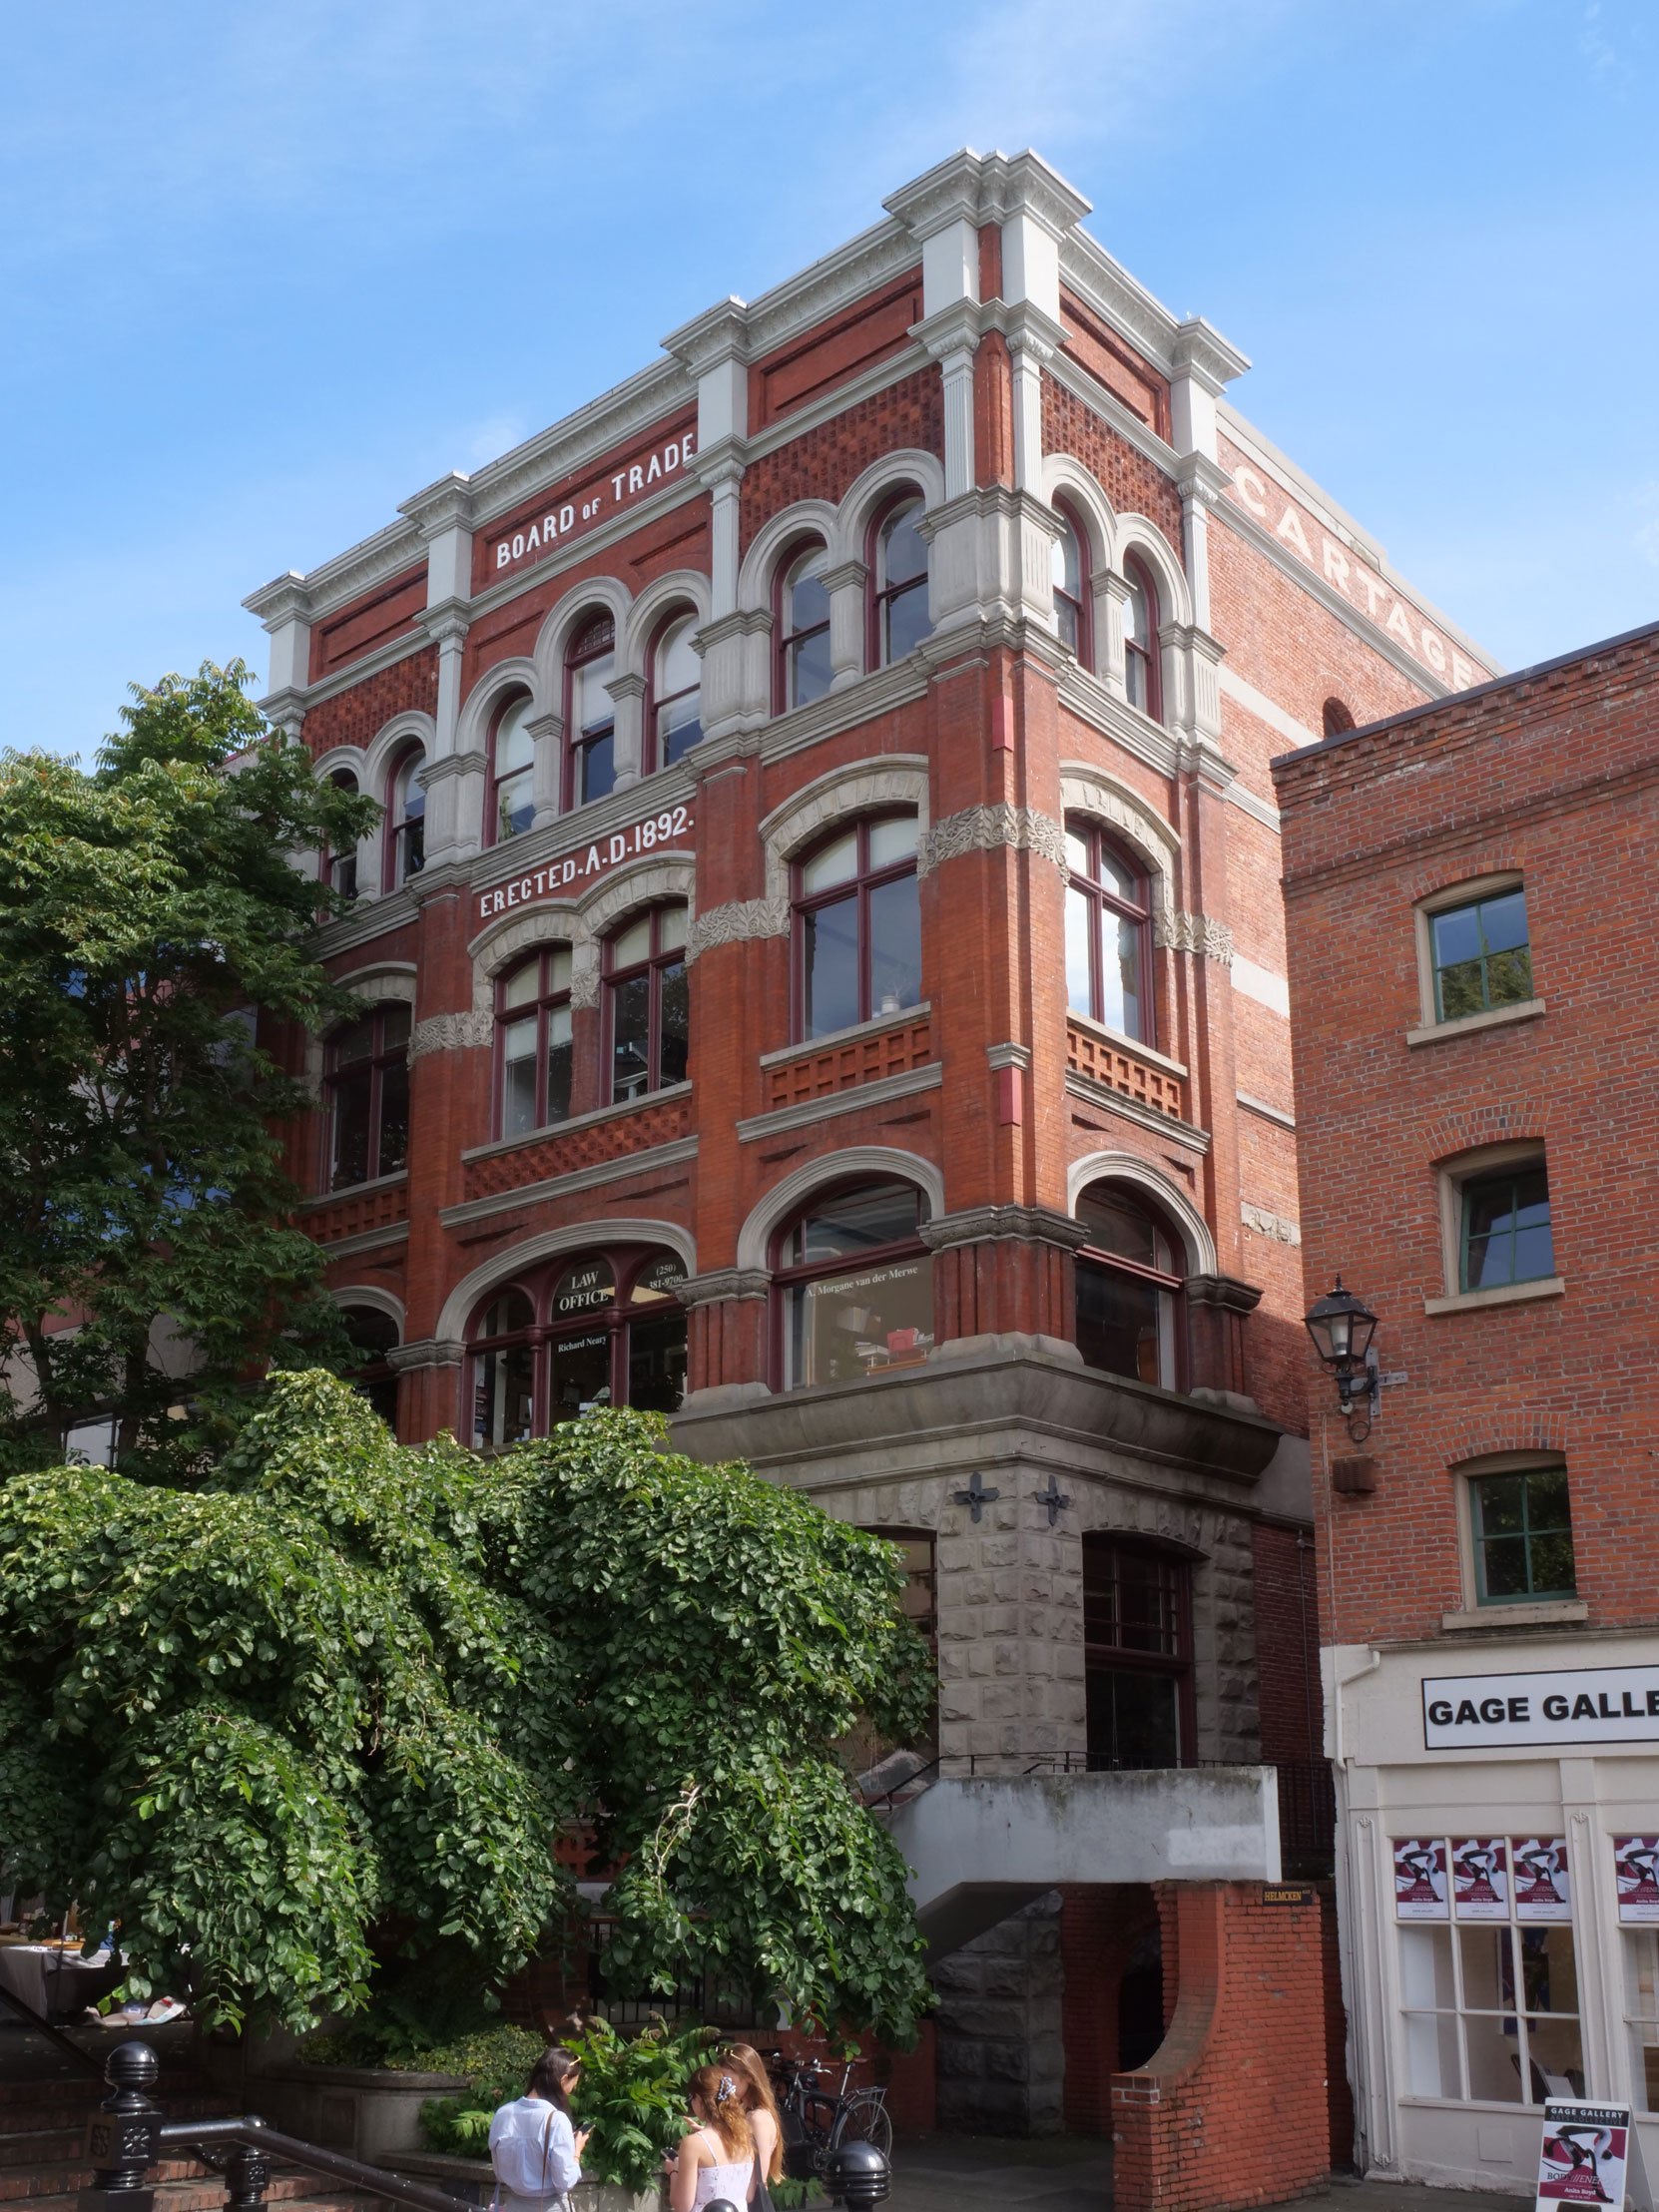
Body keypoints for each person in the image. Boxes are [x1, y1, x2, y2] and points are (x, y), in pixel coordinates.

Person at [489, 2046, 589, 2212]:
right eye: (573, 2085)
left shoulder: (503, 2114)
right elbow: (565, 2181)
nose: (571, 2091)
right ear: (563, 2080)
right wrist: (576, 2150)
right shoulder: (556, 2121)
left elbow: (499, 2173)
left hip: (514, 2206)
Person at [668, 2061, 756, 2211]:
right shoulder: (744, 2137)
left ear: (699, 2100)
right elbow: (749, 2195)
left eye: (691, 2099)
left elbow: (682, 2205)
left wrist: (673, 2171)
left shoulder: (693, 2144)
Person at [719, 2044, 784, 2212]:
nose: (722, 2085)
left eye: (726, 2078)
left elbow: (756, 2179)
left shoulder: (757, 2118)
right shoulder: (748, 2113)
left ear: (747, 2076)